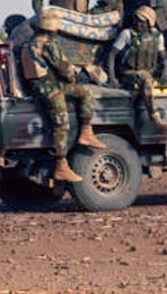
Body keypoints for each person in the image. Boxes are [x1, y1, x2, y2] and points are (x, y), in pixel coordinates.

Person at [20, 10, 106, 183]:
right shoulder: (49, 45)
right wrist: (72, 73)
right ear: (52, 30)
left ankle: (85, 133)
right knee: (62, 123)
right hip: (49, 88)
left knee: (84, 93)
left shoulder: (28, 44)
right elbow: (65, 70)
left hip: (38, 86)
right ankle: (61, 165)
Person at [107, 6, 167, 132]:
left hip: (150, 70)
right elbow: (112, 54)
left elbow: (163, 56)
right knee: (145, 78)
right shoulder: (127, 34)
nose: (138, 23)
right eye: (136, 20)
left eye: (142, 21)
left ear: (150, 23)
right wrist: (112, 77)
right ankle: (155, 117)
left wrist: (166, 67)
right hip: (130, 72)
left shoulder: (157, 36)